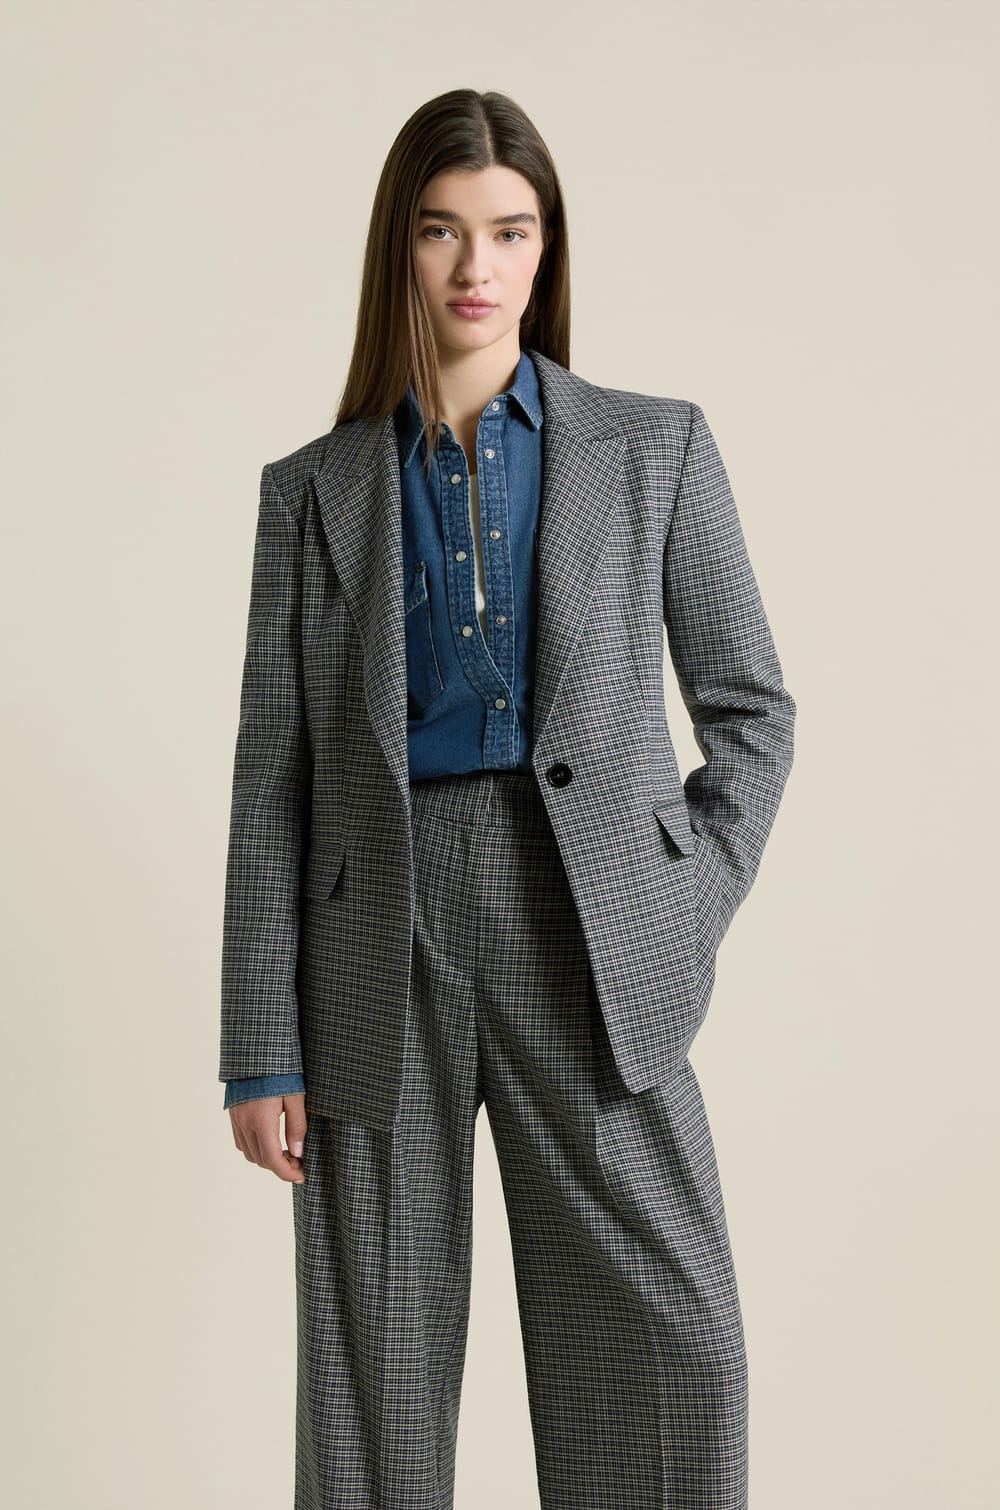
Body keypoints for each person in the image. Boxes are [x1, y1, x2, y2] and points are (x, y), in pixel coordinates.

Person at [219, 86, 795, 1510]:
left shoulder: (653, 447)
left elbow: (752, 708)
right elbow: (274, 778)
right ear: (398, 250)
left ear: (548, 250)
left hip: (586, 924)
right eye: (442, 231)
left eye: (510, 231)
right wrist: (259, 1042)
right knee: (376, 1376)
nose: (476, 265)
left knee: (672, 1349)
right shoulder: (313, 490)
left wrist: (682, 897)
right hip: (380, 935)